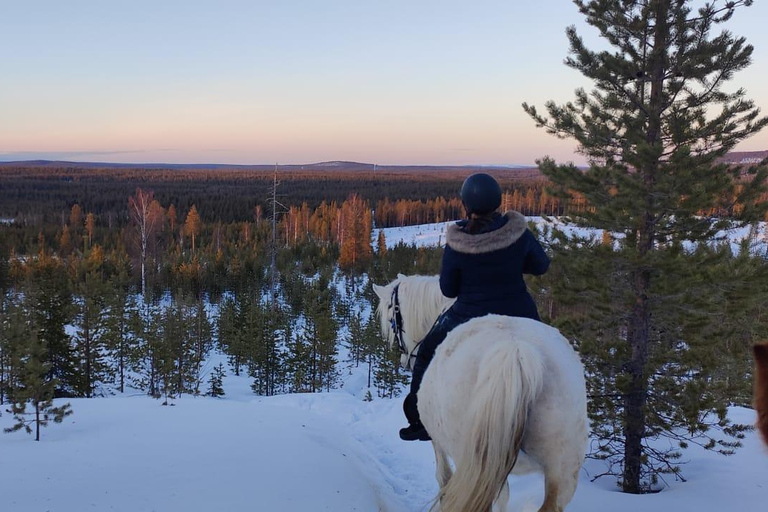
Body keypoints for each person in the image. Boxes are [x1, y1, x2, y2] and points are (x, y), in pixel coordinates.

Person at [399, 173, 551, 441]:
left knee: (425, 354)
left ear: (466, 204)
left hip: (469, 315)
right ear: (497, 202)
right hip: (521, 312)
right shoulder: (519, 234)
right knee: (549, 354)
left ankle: (421, 420)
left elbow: (448, 289)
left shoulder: (458, 242)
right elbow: (541, 265)